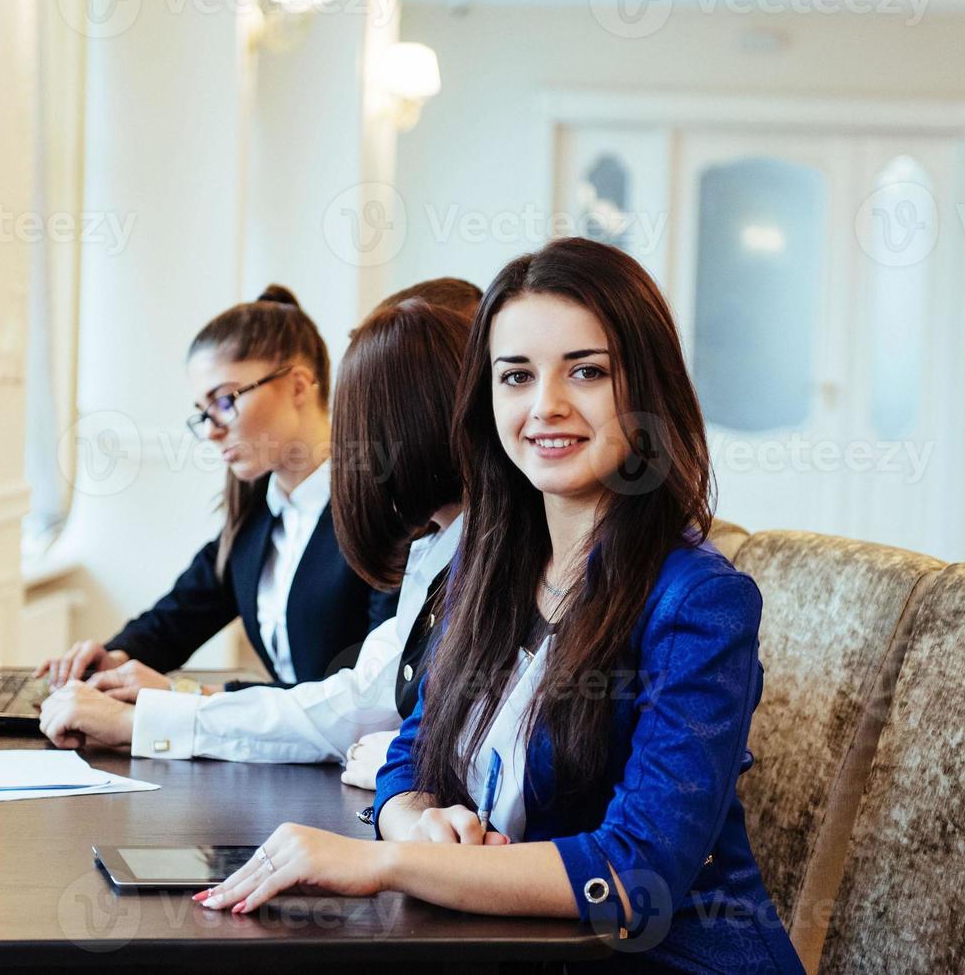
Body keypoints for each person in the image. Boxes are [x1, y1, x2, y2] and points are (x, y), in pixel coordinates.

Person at [195, 240, 805, 974]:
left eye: (586, 371)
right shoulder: (488, 570)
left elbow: (632, 873)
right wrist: (418, 821)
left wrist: (389, 864)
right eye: (516, 376)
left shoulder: (699, 601)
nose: (545, 405)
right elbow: (408, 755)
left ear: (645, 390)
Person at [40, 281, 481, 784]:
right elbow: (183, 610)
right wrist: (110, 663)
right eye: (203, 413)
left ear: (298, 385)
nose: (211, 429)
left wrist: (175, 704)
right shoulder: (259, 512)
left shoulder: (404, 519)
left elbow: (358, 701)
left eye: (225, 401)